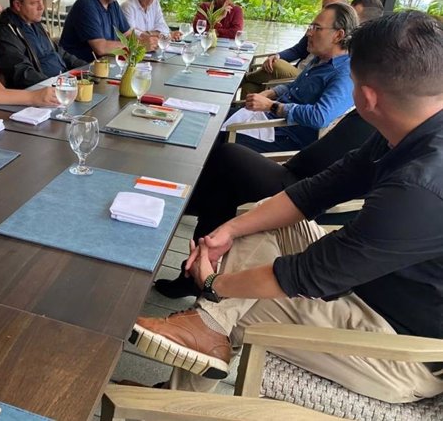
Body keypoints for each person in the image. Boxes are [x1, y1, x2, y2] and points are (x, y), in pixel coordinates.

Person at [132, 11, 443, 404]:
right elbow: (319, 190)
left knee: (233, 305)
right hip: (367, 285)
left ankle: (173, 395)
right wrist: (226, 232)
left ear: (365, 97)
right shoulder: (413, 129)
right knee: (253, 218)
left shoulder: (423, 186)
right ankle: (196, 351)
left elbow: (310, 274)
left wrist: (214, 283)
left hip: (400, 347)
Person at [155, 109, 376, 299]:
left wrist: (275, 105)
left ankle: (184, 221)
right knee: (223, 184)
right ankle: (192, 266)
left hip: (307, 197)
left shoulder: (392, 135)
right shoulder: (381, 122)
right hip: (303, 181)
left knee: (228, 157)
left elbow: (321, 115)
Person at [231, 2, 357, 153]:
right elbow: (294, 86)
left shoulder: (345, 74)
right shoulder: (319, 59)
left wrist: (272, 106)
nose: (309, 33)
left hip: (285, 137)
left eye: (317, 28)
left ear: (338, 35)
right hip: (268, 121)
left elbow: (320, 116)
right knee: (216, 116)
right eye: (310, 27)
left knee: (216, 140)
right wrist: (272, 93)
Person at [241, 0, 349, 96]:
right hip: (301, 69)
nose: (326, 11)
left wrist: (275, 106)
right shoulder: (316, 27)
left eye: (332, 7)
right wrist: (278, 55)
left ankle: (244, 78)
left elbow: (322, 109)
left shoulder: (343, 40)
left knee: (276, 65)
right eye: (324, 7)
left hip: (307, 77)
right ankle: (240, 108)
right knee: (250, 87)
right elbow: (298, 50)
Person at [0, 0, 86, 89]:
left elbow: (58, 52)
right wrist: (59, 87)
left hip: (63, 84)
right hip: (42, 94)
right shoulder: (4, 32)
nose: (41, 7)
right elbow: (23, 74)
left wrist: (86, 69)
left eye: (42, 0)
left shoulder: (34, 22)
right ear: (17, 5)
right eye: (34, 3)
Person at [60, 0, 158, 61]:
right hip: (78, 69)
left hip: (104, 65)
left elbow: (128, 34)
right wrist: (138, 45)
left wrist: (148, 40)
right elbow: (101, 47)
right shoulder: (86, 5)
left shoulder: (113, 4)